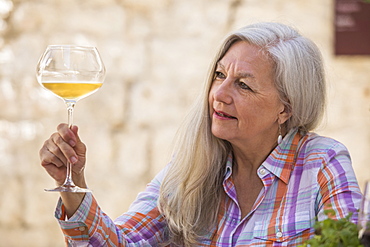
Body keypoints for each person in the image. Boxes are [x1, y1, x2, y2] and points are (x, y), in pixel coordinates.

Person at [39, 22, 362, 246]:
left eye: (244, 85)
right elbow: (120, 243)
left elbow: (350, 241)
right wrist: (73, 182)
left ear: (286, 109)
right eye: (219, 75)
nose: (219, 94)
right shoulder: (191, 168)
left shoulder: (321, 162)